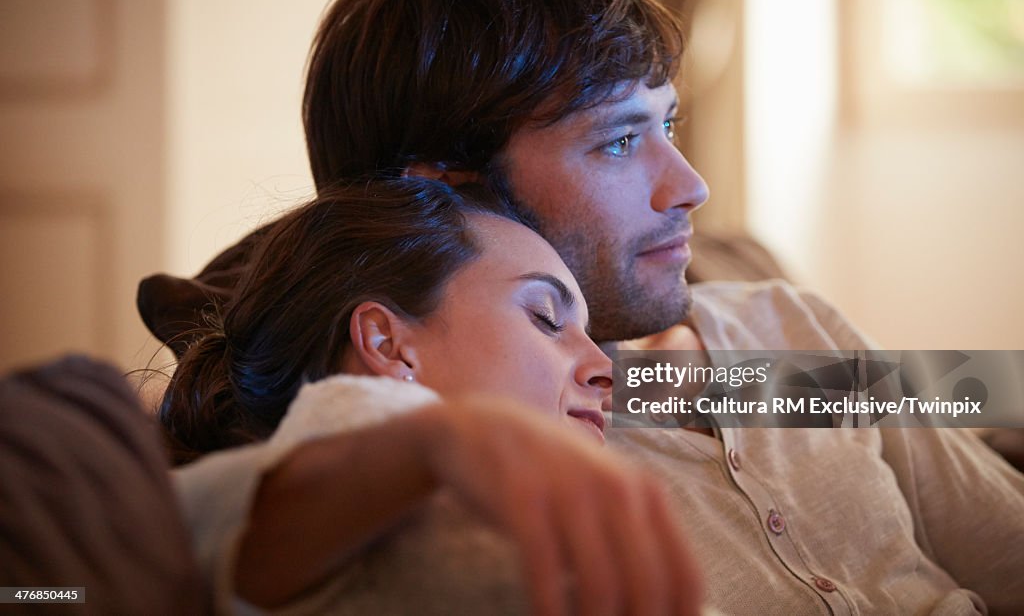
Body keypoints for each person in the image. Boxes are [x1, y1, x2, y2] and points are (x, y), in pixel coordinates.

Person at [142, 0, 1024, 613]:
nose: (690, 186)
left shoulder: (781, 329)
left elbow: (994, 497)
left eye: (668, 124)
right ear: (443, 195)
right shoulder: (458, 470)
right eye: (617, 140)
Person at [166, 178, 703, 615]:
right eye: (544, 318)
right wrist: (436, 439)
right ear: (388, 343)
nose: (606, 368)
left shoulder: (743, 335)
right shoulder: (333, 494)